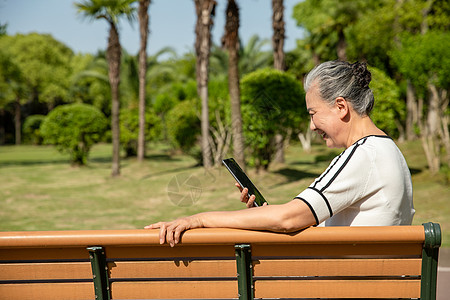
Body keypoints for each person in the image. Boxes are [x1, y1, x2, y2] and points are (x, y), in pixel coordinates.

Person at [145, 60, 415, 247]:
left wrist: (198, 219)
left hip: (347, 289)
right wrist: (263, 214)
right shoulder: (388, 150)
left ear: (341, 106)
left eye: (313, 114)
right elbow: (300, 218)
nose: (311, 126)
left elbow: (289, 218)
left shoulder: (363, 155)